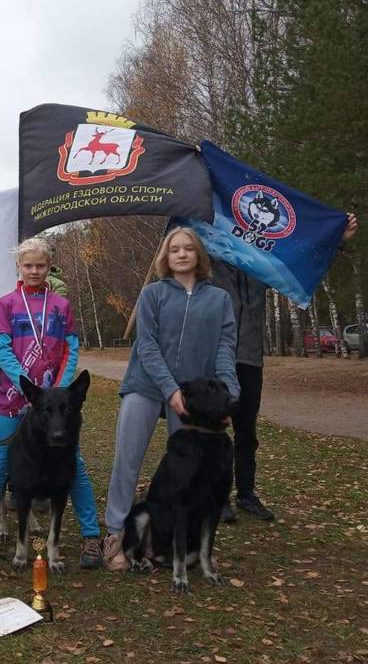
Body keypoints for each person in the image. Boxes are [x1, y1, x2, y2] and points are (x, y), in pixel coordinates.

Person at [102, 226, 240, 571]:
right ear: (165, 256)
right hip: (146, 385)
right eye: (174, 249)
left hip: (194, 398)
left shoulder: (219, 300)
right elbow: (146, 345)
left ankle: (187, 540)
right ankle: (115, 534)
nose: (181, 254)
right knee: (127, 460)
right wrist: (169, 388)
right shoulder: (152, 295)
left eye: (188, 248)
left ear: (198, 255)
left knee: (191, 469)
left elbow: (225, 347)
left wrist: (228, 388)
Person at [213, 211, 359, 522]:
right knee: (217, 428)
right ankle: (219, 496)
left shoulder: (261, 267)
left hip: (250, 358)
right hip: (217, 357)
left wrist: (337, 240)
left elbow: (303, 261)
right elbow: (178, 247)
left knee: (246, 431)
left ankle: (247, 494)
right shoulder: (212, 261)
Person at [0, 237, 103, 573]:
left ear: (49, 266)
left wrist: (57, 389)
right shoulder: (6, 305)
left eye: (40, 265)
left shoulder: (62, 305)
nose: (33, 271)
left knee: (76, 466)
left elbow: (71, 349)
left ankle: (91, 536)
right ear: (19, 267)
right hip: (14, 399)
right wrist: (27, 386)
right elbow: (1, 349)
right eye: (28, 265)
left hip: (54, 402)